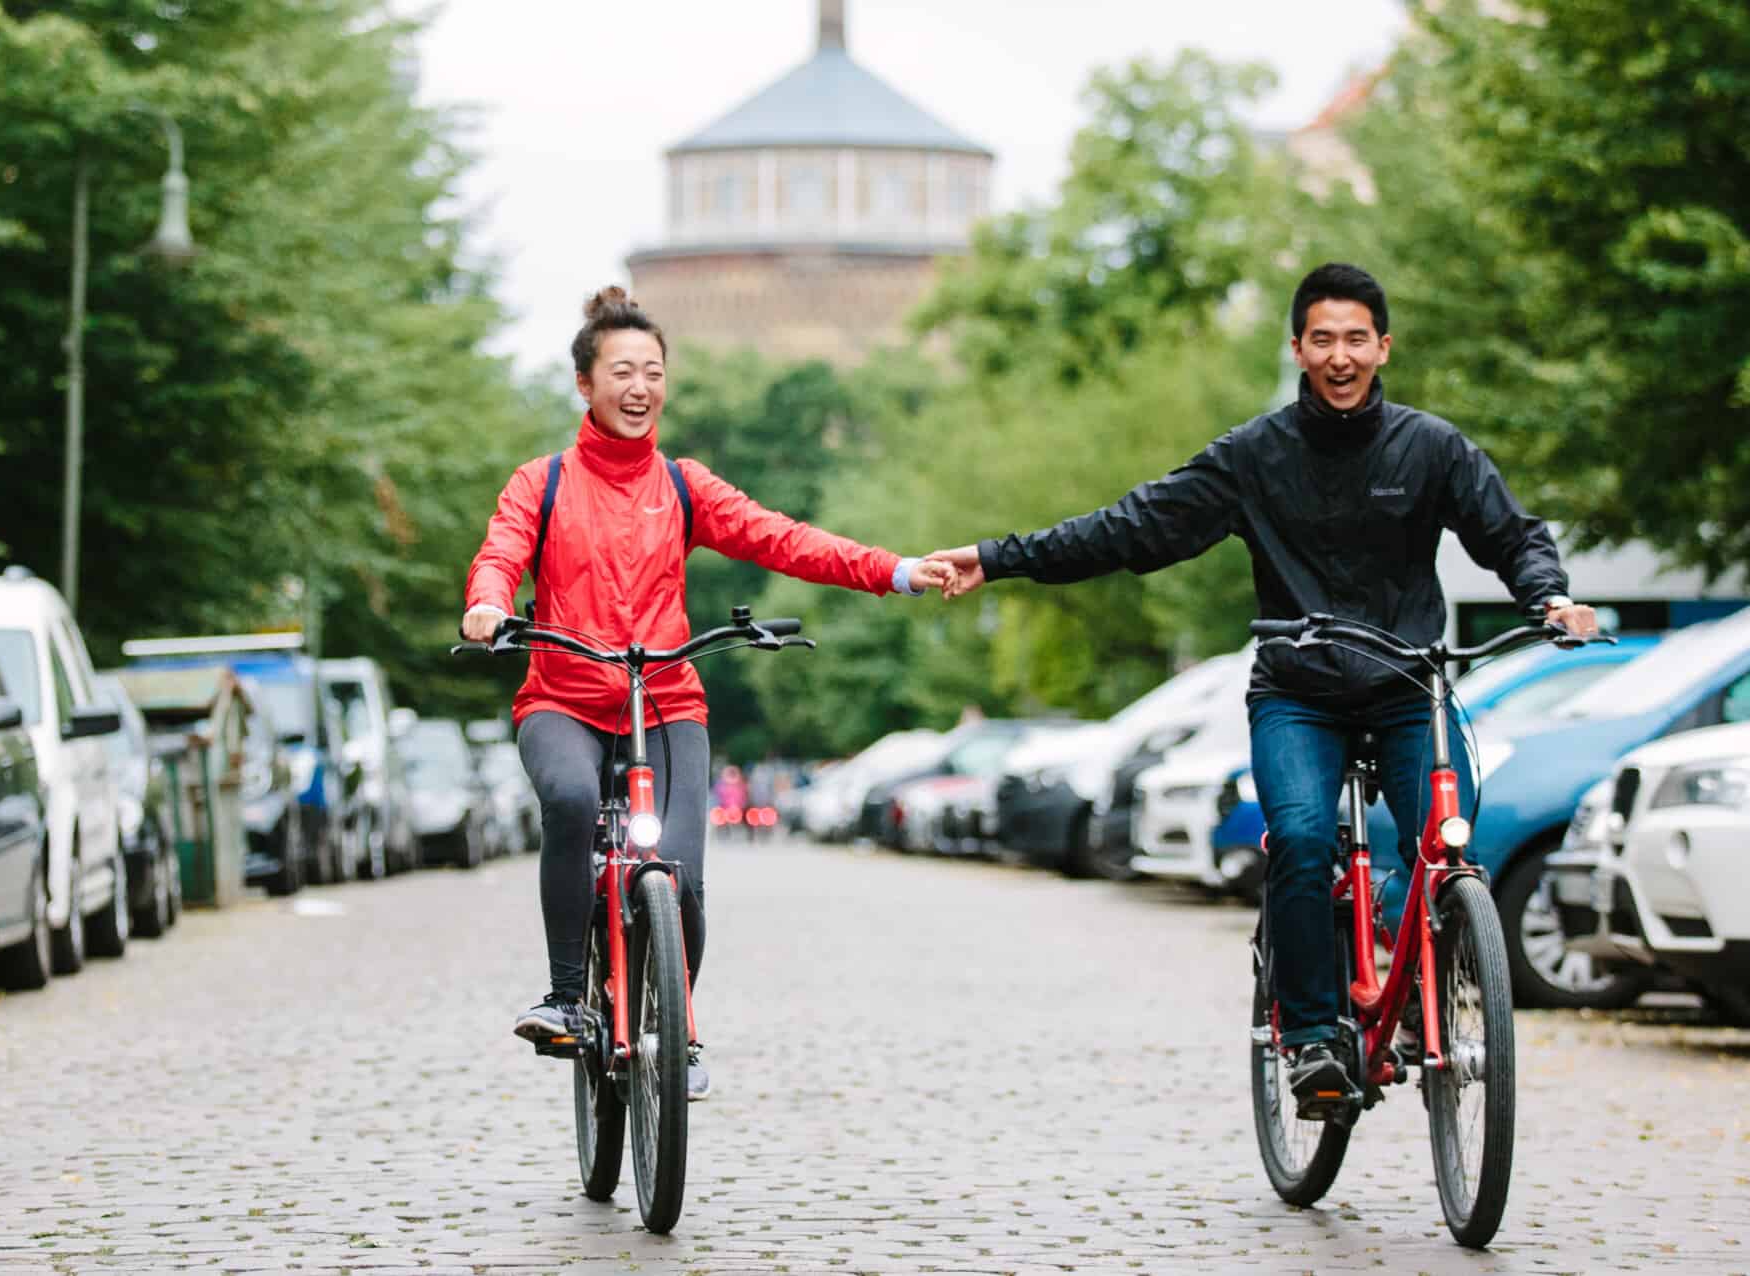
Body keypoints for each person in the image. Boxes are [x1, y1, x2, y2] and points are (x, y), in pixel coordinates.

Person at [927, 263, 1599, 1112]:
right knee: (1306, 838)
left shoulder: (1432, 449)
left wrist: (1550, 596)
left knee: (1443, 841)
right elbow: (1134, 529)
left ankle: (1416, 986)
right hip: (1299, 692)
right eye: (1324, 339)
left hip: (1404, 686)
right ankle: (1314, 1036)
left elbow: (1513, 534)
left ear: (1384, 347)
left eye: (1358, 338)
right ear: (1298, 350)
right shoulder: (1255, 455)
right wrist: (997, 557)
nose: (1342, 355)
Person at [462, 286, 953, 1101]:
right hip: (565, 698)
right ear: (585, 385)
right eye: (622, 371)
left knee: (679, 873)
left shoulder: (683, 486)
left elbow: (782, 538)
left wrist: (893, 571)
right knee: (574, 801)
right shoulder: (541, 483)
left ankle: (676, 1031)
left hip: (664, 701)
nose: (640, 387)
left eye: (653, 372)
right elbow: (501, 549)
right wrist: (488, 601)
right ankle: (565, 998)